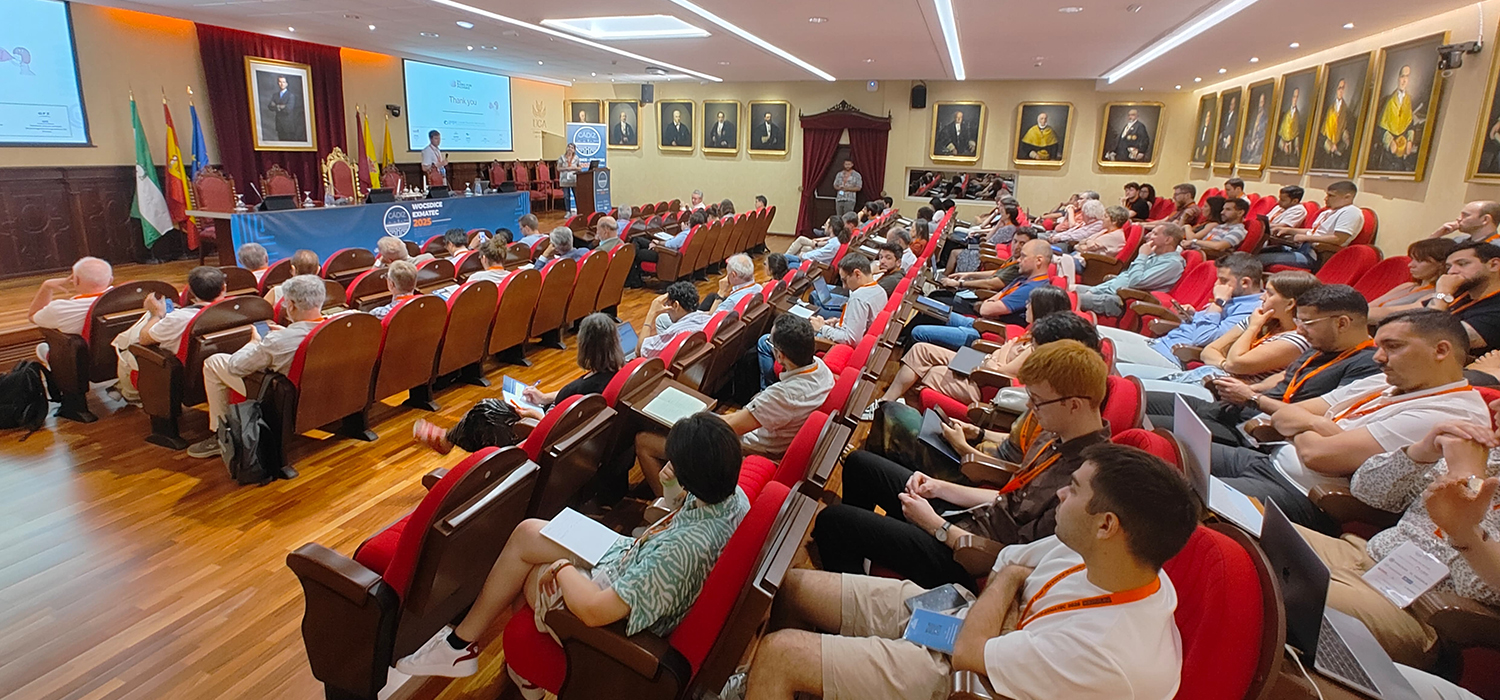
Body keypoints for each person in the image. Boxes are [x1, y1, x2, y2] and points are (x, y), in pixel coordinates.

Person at [749, 442, 1197, 700]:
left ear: (1106, 525)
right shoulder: (1106, 553)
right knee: (794, 586)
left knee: (778, 654)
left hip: (968, 683)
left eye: (1075, 490)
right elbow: (1005, 564)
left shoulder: (1111, 656)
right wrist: (1005, 601)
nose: (1061, 494)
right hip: (965, 617)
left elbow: (969, 653)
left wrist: (1006, 593)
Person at [396, 412, 749, 681]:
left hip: (613, 606)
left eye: (674, 463)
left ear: (693, 476)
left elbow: (595, 611)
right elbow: (672, 514)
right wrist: (672, 486)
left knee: (531, 572)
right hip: (633, 559)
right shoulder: (732, 497)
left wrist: (561, 567)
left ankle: (515, 667)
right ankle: (461, 647)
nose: (667, 465)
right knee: (527, 532)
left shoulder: (679, 552)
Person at [815, 339, 1113, 589]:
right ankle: (861, 557)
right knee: (859, 465)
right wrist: (939, 488)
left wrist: (935, 525)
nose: (1030, 409)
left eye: (1037, 401)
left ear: (1073, 405)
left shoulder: (1087, 481)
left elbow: (1017, 560)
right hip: (971, 519)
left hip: (972, 558)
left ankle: (851, 596)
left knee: (834, 521)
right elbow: (1006, 497)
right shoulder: (1055, 433)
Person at [1211, 310, 1489, 533]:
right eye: (1378, 347)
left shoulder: (1449, 413)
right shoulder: (1384, 380)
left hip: (1304, 495)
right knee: (1182, 454)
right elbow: (1285, 414)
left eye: (1393, 347)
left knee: (1190, 498)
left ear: (1440, 351)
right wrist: (1319, 427)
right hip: (1267, 461)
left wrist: (1304, 426)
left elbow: (1316, 455)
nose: (1378, 358)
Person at [1288, 413, 1500, 669]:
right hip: (1367, 556)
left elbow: (1480, 589)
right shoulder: (1482, 451)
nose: (1495, 405)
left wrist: (1470, 480)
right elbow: (1366, 491)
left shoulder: (1471, 463)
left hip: (1418, 610)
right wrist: (1420, 453)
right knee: (1253, 543)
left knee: (1279, 590)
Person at [1146, 284, 1382, 445]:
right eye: (1299, 321)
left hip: (1256, 429)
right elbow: (1283, 378)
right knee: (1140, 399)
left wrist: (1252, 397)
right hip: (1235, 407)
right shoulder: (1322, 344)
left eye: (1308, 323)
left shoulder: (1366, 366)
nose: (1300, 330)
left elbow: (1323, 417)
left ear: (1342, 323)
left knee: (1151, 430)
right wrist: (1249, 389)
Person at [639, 315, 833, 497]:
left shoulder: (783, 395)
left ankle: (670, 508)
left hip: (748, 448)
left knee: (644, 440)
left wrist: (687, 420)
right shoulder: (821, 369)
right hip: (770, 434)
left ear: (780, 356)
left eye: (771, 343)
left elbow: (729, 427)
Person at [191, 275, 328, 460]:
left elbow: (236, 368)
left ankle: (222, 434)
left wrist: (253, 343)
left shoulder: (278, 341)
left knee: (214, 362)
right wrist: (286, 334)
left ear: (291, 305)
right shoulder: (335, 324)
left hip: (281, 398)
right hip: (321, 391)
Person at [876, 292, 1079, 410]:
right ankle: (886, 401)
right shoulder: (1031, 331)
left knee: (929, 372)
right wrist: (998, 356)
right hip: (980, 362)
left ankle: (894, 412)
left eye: (1030, 303)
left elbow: (1001, 372)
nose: (1026, 305)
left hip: (984, 383)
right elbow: (1003, 351)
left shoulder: (1038, 347)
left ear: (1042, 310)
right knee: (921, 350)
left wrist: (997, 357)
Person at [1126, 271, 1320, 394]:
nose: (1262, 297)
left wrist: (1253, 328)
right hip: (1202, 373)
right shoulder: (1262, 319)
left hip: (1216, 390)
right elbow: (1208, 351)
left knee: (1127, 392)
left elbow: (1237, 363)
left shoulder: (1297, 339)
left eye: (1269, 293)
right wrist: (1225, 364)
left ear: (1290, 304)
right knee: (1120, 375)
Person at [1102, 252, 1264, 370]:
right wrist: (1191, 316)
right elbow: (1203, 324)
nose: (1217, 285)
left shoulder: (1251, 310)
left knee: (1101, 351)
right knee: (1094, 333)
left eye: (1223, 280)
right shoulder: (1231, 296)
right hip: (1160, 343)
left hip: (1173, 356)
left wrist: (1218, 303)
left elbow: (1203, 339)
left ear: (1245, 282)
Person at [113, 266, 227, 403]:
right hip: (216, 370)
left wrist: (156, 315)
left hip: (178, 375)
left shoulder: (178, 318)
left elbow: (144, 339)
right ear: (224, 288)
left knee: (126, 348)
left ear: (190, 291)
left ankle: (131, 395)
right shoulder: (237, 308)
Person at [915, 239, 1053, 350]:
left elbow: (986, 309)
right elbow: (995, 298)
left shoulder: (1033, 289)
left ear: (1039, 260)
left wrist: (988, 305)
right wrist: (989, 304)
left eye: (1023, 256)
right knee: (930, 310)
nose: (1018, 260)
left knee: (919, 332)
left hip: (986, 331)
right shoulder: (1024, 279)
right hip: (981, 322)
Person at [1075, 224, 1188, 318]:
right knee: (1067, 289)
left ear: (1168, 240)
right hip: (1107, 290)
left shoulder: (1172, 264)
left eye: (1155, 234)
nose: (1148, 236)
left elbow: (1136, 282)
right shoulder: (1154, 254)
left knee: (1067, 299)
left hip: (1120, 301)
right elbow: (1126, 276)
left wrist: (1142, 255)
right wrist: (1094, 290)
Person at [1259, 180, 1363, 270]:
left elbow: (1338, 239)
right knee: (1257, 252)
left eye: (1331, 196)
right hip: (1302, 248)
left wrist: (1306, 238)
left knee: (1259, 259)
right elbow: (1313, 231)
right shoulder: (1328, 212)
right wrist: (1288, 230)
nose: (1326, 199)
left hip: (1315, 255)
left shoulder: (1351, 212)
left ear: (1347, 197)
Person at [30, 256, 114, 366]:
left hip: (84, 365)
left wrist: (46, 287)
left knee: (42, 348)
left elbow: (33, 316)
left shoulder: (60, 308)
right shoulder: (126, 297)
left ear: (75, 280)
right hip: (116, 358)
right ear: (110, 280)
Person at [1429, 241, 1500, 354]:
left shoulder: (1496, 307)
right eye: (1449, 267)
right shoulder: (1459, 293)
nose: (1451, 272)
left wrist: (1442, 293)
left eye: (1462, 264)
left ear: (1494, 265)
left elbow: (1428, 337)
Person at [1369, 238, 1455, 323]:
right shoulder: (1407, 286)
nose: (1410, 265)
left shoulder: (1437, 295)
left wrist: (1362, 315)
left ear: (1442, 265)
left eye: (1420, 261)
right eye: (1412, 259)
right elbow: (1369, 306)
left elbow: (1394, 314)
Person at [640, 281, 711, 359]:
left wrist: (651, 313)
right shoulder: (707, 318)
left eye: (668, 304)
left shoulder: (675, 332)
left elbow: (641, 350)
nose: (666, 310)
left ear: (675, 305)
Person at [1372, 65, 1417, 171]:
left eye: (1407, 77)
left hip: (1401, 152)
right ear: (1398, 78)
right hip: (1387, 155)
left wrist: (1409, 141)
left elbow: (1410, 124)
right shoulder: (1388, 100)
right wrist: (1390, 141)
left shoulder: (1408, 100)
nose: (1404, 80)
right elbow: (1380, 127)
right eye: (1402, 76)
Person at [1183, 197, 1248, 255]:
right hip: (1196, 251)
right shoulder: (1220, 226)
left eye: (1228, 209)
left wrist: (1194, 241)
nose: (1222, 212)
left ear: (1240, 213)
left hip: (1208, 257)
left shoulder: (1238, 230)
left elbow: (1218, 246)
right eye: (1223, 209)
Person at [1427, 200, 1500, 244]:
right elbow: (1423, 256)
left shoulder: (1496, 247)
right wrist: (1435, 236)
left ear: (1485, 220)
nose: (1458, 219)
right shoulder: (1458, 241)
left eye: (1465, 215)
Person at [268, 75, 304, 141]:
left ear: (286, 84)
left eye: (283, 82)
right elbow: (270, 107)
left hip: (288, 126)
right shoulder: (275, 95)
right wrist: (281, 106)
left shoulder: (290, 95)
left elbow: (288, 109)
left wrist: (276, 106)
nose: (282, 84)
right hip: (279, 125)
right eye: (280, 82)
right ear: (278, 83)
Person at [557, 143, 582, 214]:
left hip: (573, 179)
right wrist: (566, 168)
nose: (570, 149)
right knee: (566, 196)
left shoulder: (576, 158)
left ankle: (579, 210)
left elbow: (580, 168)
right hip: (564, 179)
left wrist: (574, 168)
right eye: (569, 147)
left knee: (576, 195)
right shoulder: (562, 157)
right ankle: (568, 211)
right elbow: (558, 168)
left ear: (574, 150)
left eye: (572, 148)